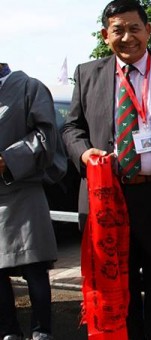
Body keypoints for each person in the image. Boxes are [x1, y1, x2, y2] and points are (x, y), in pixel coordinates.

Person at [61, 0, 151, 338]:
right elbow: (70, 129)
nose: (127, 37)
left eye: (134, 28)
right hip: (108, 199)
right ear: (105, 34)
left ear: (148, 30)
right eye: (118, 30)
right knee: (115, 285)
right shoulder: (87, 74)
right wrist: (84, 155)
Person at [0, 64, 60, 340]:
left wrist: (7, 160)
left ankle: (41, 332)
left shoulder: (29, 86)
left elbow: (46, 136)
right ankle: (10, 331)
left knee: (34, 268)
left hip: (24, 190)